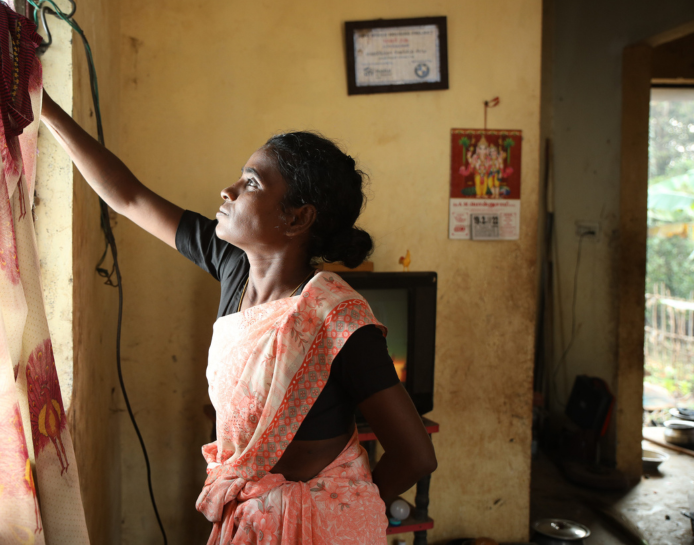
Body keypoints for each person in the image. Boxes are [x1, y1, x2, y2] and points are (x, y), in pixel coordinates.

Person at [39, 91, 437, 544]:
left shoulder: (337, 321)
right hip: (248, 520)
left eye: (251, 184)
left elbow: (415, 456)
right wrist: (44, 106)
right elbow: (128, 198)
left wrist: (344, 508)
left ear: (298, 217)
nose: (228, 190)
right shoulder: (232, 265)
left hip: (322, 528)